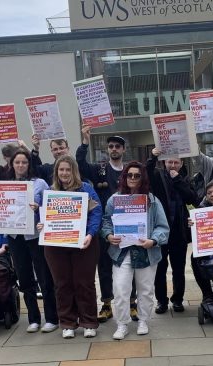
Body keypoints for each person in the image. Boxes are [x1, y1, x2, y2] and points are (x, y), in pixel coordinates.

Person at [101, 162, 170, 340]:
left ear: (142, 178)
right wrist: (108, 236)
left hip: (146, 252)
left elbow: (163, 226)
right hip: (121, 252)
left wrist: (153, 240)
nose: (132, 178)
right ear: (124, 177)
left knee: (145, 290)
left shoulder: (152, 200)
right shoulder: (115, 199)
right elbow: (106, 221)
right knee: (121, 288)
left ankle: (143, 320)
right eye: (129, 175)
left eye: (136, 175)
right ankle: (122, 323)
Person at [77, 127, 138, 322]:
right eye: (110, 146)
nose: (114, 149)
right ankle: (106, 304)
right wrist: (85, 143)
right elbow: (80, 165)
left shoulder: (131, 171)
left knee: (130, 263)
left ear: (123, 149)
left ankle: (132, 303)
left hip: (128, 225)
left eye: (117, 146)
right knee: (104, 266)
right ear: (107, 149)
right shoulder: (99, 169)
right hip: (106, 228)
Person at [38, 155, 103, 339]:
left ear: (73, 171)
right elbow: (41, 217)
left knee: (84, 283)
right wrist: (41, 224)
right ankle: (67, 322)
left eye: (68, 169)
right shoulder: (49, 192)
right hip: (56, 245)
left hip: (83, 243)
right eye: (61, 169)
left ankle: (89, 322)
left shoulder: (86, 189)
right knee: (62, 284)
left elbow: (97, 213)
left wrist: (90, 234)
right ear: (56, 172)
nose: (64, 173)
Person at [4, 149, 59, 333]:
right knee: (24, 278)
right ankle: (34, 318)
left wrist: (38, 208)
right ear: (12, 164)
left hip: (35, 236)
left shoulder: (40, 183)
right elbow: (2, 210)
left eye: (24, 162)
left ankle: (51, 317)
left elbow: (51, 207)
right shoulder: (5, 185)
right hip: (15, 237)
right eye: (17, 162)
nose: (20, 166)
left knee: (44, 276)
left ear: (29, 165)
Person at [147, 147, 199, 314]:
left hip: (179, 232)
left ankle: (177, 300)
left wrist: (178, 180)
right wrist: (152, 157)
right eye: (170, 162)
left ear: (181, 163)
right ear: (164, 163)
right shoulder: (157, 176)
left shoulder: (185, 179)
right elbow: (146, 172)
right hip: (160, 232)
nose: (173, 165)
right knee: (160, 269)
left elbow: (192, 198)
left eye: (176, 162)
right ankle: (161, 301)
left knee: (178, 269)